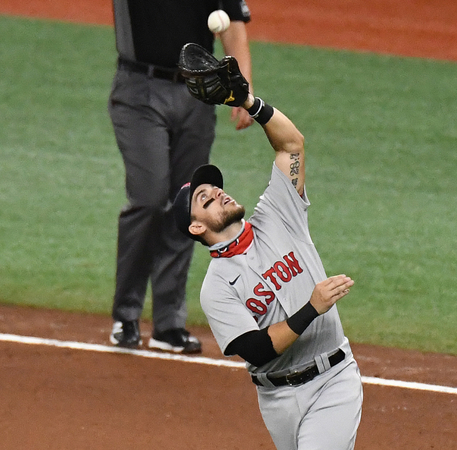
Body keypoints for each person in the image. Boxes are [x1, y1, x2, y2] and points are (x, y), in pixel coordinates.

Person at [172, 88, 363, 447]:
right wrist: (312, 307)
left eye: (215, 187)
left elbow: (292, 145)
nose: (218, 193)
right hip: (277, 401)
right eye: (205, 198)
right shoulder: (216, 289)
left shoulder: (278, 213)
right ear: (196, 227)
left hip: (332, 380)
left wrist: (249, 103)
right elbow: (257, 350)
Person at [108, 0, 255, 354]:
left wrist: (242, 89)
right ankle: (126, 314)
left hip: (197, 94)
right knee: (148, 197)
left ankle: (168, 324)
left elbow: (233, 23)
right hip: (138, 90)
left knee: (187, 204)